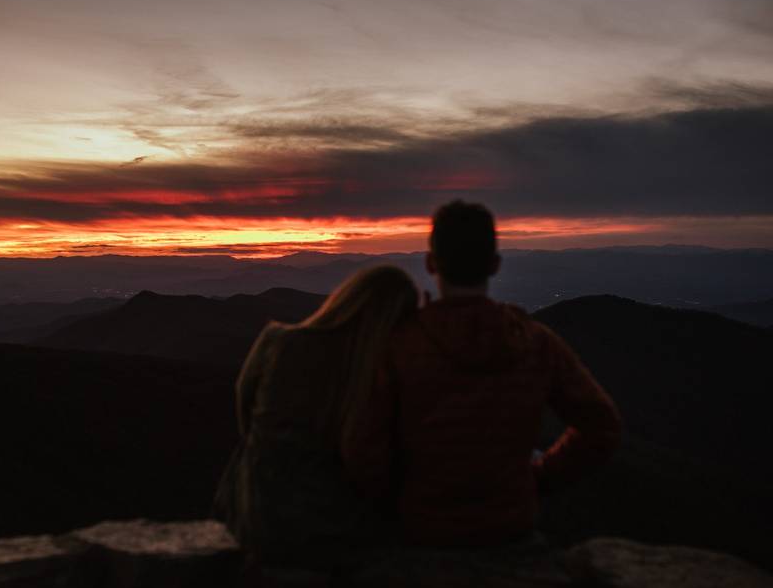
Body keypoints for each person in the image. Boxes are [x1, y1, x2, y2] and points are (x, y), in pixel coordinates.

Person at [343, 200, 623, 548]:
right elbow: (601, 425)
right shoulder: (534, 343)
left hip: (420, 530)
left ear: (431, 263)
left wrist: (393, 498)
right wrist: (540, 476)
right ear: (494, 265)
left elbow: (363, 448)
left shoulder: (400, 344)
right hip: (509, 528)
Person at [214, 265, 419, 568]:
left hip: (252, 508)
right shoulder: (370, 370)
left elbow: (245, 410)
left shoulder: (276, 341)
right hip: (332, 519)